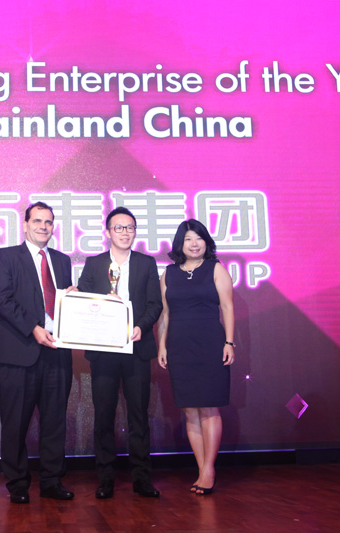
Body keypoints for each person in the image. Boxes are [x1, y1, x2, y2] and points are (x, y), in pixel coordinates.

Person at [0, 201, 75, 504]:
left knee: (55, 422)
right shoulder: (6, 256)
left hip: (57, 351)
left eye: (48, 222)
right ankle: (18, 484)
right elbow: (1, 298)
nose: (43, 226)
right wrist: (33, 328)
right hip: (19, 351)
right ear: (25, 225)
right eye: (37, 221)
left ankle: (51, 481)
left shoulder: (62, 261)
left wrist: (75, 300)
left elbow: (63, 301)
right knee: (15, 423)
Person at [77, 207, 163, 499]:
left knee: (138, 416)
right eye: (119, 227)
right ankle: (105, 479)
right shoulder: (94, 264)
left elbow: (155, 304)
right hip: (104, 351)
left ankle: (141, 478)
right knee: (104, 415)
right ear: (108, 232)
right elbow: (84, 300)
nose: (125, 232)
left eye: (130, 227)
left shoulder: (146, 263)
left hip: (136, 349)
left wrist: (140, 326)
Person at [157, 219, 235, 495]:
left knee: (209, 408)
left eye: (199, 238)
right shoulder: (168, 274)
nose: (194, 243)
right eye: (188, 239)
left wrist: (229, 342)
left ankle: (208, 470)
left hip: (210, 344)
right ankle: (202, 469)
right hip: (179, 346)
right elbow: (165, 314)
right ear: (180, 244)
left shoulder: (216, 269)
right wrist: (162, 345)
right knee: (190, 410)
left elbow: (227, 307)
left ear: (206, 242)